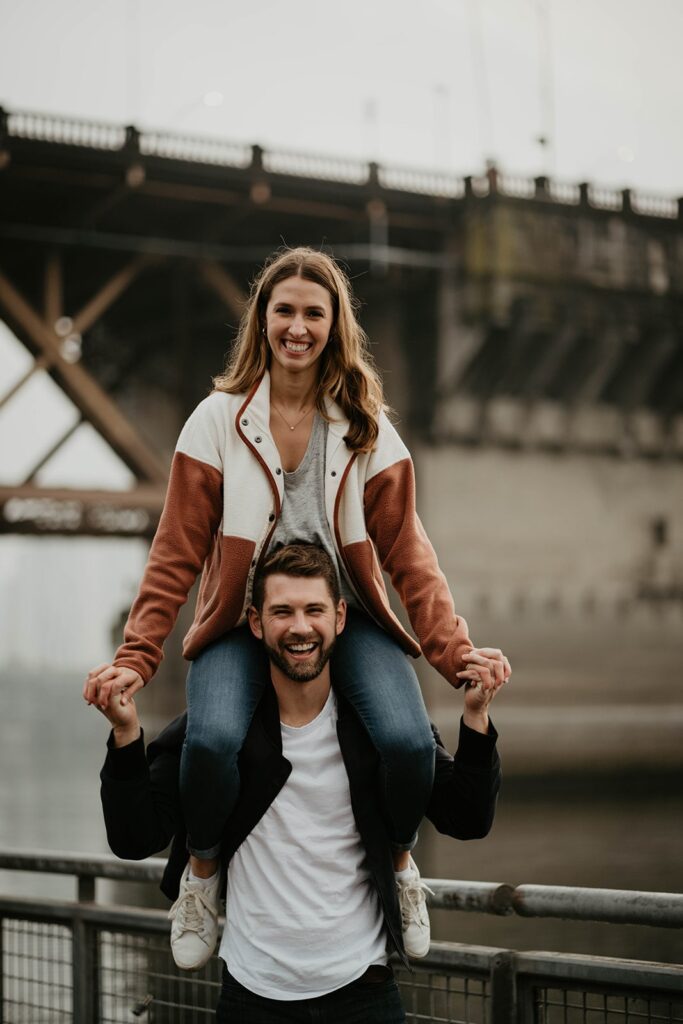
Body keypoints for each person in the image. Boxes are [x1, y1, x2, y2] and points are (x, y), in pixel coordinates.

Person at [84, 246, 511, 968]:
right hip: (243, 624)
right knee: (212, 744)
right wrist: (136, 658)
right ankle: (204, 873)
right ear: (263, 320)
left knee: (408, 745)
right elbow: (175, 554)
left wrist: (453, 651)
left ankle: (401, 867)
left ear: (334, 325)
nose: (298, 327)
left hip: (346, 620)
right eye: (284, 310)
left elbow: (408, 553)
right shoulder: (216, 421)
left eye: (314, 313)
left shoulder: (366, 427)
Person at [97, 543, 505, 1023]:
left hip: (366, 993)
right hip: (251, 998)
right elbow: (133, 838)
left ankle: (404, 870)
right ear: (256, 622)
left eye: (314, 610)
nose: (299, 627)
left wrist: (476, 719)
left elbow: (468, 817)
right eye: (282, 611)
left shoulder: (379, 732)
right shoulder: (215, 734)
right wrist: (125, 734)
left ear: (339, 618)